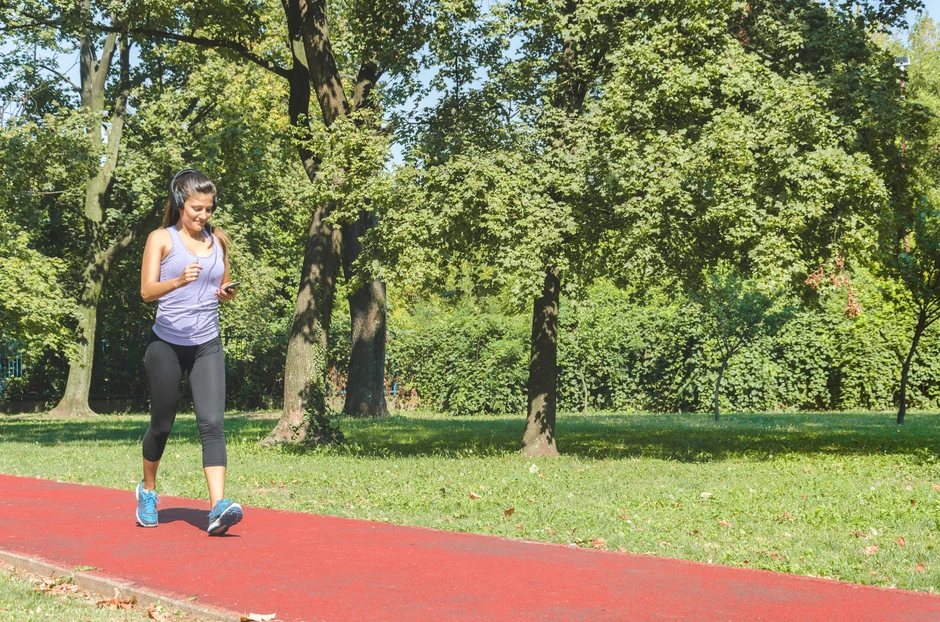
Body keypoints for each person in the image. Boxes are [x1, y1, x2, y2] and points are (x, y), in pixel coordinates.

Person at [136, 169, 243, 535]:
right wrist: (178, 280)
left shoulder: (219, 241)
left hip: (206, 343)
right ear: (180, 202)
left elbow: (223, 287)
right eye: (197, 208)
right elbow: (146, 292)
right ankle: (148, 490)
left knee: (212, 424)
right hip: (166, 344)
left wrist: (227, 293)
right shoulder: (161, 239)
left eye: (209, 209)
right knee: (162, 425)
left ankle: (218, 507)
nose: (203, 215)